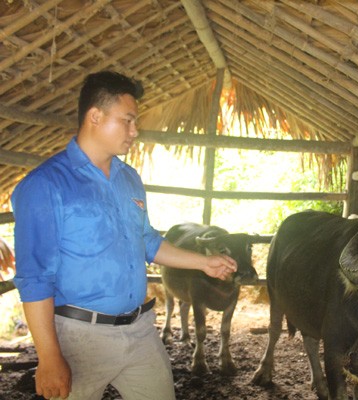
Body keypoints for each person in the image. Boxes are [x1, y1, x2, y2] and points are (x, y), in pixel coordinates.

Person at [11, 71, 238, 400]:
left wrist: (204, 262)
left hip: (139, 331)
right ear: (95, 116)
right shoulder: (44, 185)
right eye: (128, 121)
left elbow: (147, 241)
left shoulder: (129, 178)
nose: (135, 131)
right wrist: (49, 358)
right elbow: (34, 278)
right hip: (79, 337)